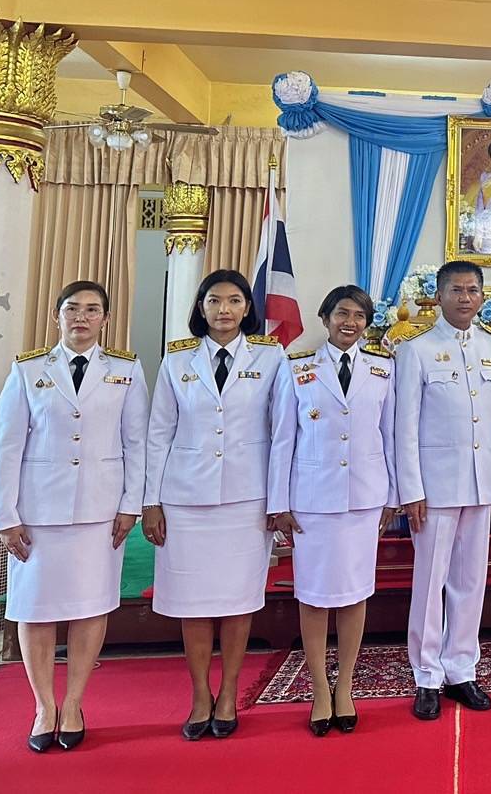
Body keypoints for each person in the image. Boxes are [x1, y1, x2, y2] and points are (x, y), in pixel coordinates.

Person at [0, 281, 147, 752]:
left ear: (105, 318)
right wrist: (6, 513)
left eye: (93, 309)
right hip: (38, 512)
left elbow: (136, 443)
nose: (81, 317)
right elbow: (7, 446)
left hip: (99, 512)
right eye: (72, 309)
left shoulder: (125, 369)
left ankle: (75, 702)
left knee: (89, 608)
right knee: (34, 610)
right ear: (57, 316)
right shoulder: (27, 369)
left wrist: (130, 505)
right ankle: (43, 705)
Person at [143, 269, 285, 739]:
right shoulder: (176, 361)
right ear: (200, 308)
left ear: (248, 308)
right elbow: (158, 434)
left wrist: (279, 501)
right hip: (185, 499)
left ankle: (229, 694)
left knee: (239, 601)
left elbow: (282, 433)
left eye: (234, 301)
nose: (224, 310)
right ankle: (200, 694)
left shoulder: (270, 357)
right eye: (214, 301)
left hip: (247, 499)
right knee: (193, 603)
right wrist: (151, 502)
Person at [269, 285, 399, 735]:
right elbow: (283, 438)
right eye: (342, 313)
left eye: (359, 316)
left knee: (355, 592)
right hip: (313, 501)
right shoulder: (297, 368)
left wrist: (393, 495)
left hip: (364, 499)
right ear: (325, 318)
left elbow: (391, 436)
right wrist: (278, 502)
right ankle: (319, 689)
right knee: (314, 596)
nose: (351, 322)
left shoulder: (383, 369)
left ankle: (345, 685)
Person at [394, 259, 491, 720]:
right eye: (457, 290)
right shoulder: (417, 349)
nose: (466, 298)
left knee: (470, 580)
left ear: (483, 296)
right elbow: (404, 427)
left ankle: (462, 668)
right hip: (435, 487)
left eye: (473, 290)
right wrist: (412, 490)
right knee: (429, 583)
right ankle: (425, 674)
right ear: (439, 296)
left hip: (480, 483)